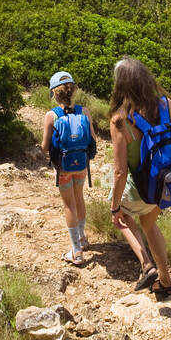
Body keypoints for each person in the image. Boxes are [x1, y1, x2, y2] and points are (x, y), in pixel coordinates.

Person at [109, 56, 171, 299]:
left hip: (142, 188)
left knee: (123, 218)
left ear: (121, 85)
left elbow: (120, 172)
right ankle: (166, 282)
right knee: (149, 224)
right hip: (165, 185)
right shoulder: (166, 105)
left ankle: (146, 264)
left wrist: (115, 207)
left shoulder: (120, 120)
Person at [41, 70, 96, 268]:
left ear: (54, 93)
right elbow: (93, 139)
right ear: (72, 91)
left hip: (62, 167)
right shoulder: (85, 112)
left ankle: (77, 252)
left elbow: (45, 146)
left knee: (68, 205)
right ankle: (82, 238)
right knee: (79, 198)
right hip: (81, 164)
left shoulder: (51, 115)